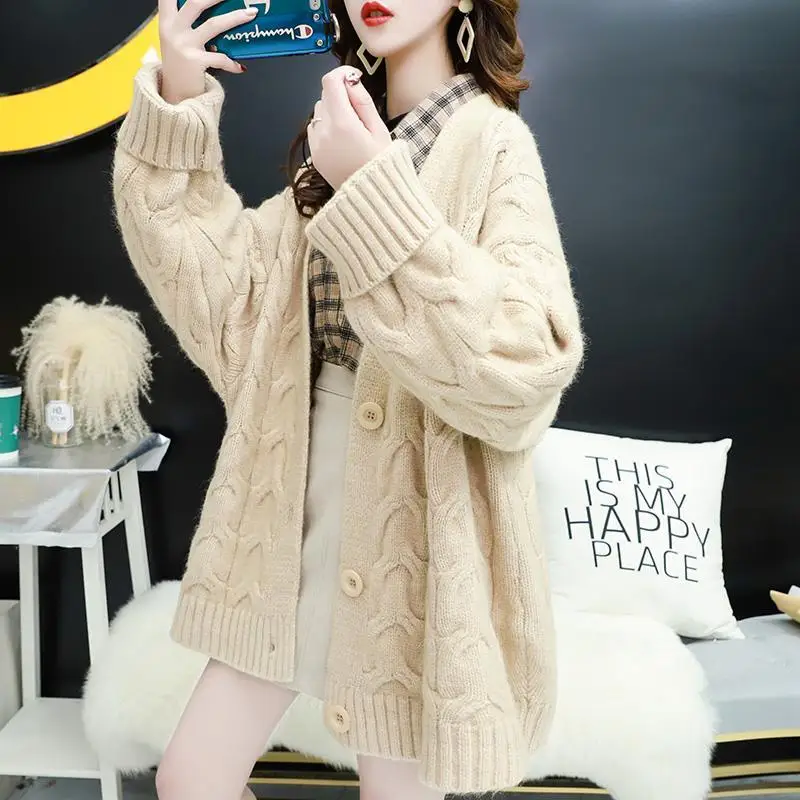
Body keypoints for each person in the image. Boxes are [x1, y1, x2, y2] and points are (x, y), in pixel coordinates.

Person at [112, 0, 585, 798]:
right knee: (191, 778)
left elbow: (526, 364)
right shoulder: (340, 131)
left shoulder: (491, 143)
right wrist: (180, 103)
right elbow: (232, 303)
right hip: (287, 509)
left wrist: (370, 187)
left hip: (419, 530)